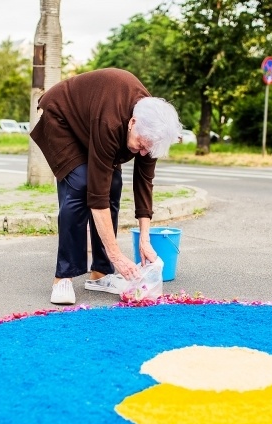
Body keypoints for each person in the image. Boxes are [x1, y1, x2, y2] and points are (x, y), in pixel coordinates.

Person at [30, 68, 182, 305]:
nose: (142, 153)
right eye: (140, 145)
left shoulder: (153, 129)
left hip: (91, 123)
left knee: (113, 183)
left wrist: (144, 238)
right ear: (132, 123)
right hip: (62, 117)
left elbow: (144, 182)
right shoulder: (110, 122)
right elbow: (96, 195)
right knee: (80, 185)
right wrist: (117, 255)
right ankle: (63, 277)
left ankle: (100, 273)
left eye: (147, 149)